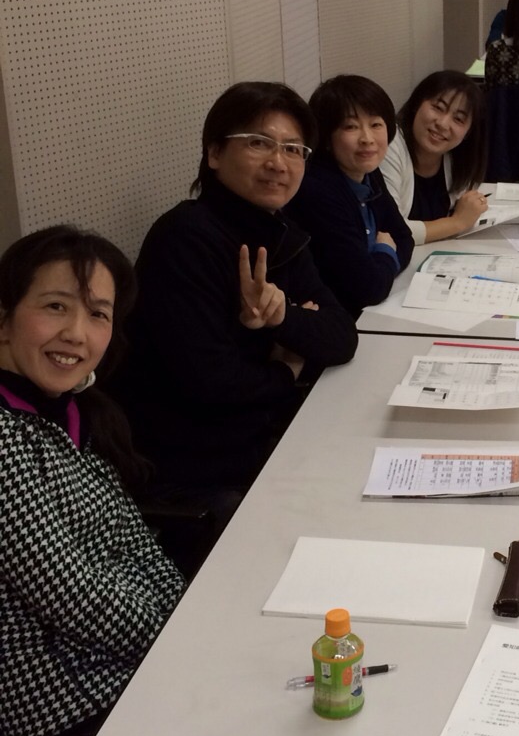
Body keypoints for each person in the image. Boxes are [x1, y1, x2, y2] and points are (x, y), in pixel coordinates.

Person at [0, 226, 185, 736]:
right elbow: (68, 589)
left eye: (98, 314)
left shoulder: (66, 413)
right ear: (4, 317)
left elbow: (135, 545)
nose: (77, 333)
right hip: (64, 722)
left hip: (122, 673)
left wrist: (188, 623)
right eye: (55, 307)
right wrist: (185, 645)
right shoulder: (5, 438)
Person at [114, 82, 358, 513]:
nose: (278, 162)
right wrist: (286, 368)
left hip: (267, 436)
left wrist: (282, 320)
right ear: (214, 153)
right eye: (258, 143)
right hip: (199, 468)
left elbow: (341, 337)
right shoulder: (185, 238)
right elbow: (210, 382)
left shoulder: (281, 233)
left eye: (293, 149)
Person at [285, 74, 413, 317]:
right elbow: (368, 288)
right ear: (326, 137)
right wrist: (385, 252)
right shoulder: (317, 190)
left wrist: (378, 267)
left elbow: (404, 238)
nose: (367, 139)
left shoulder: (366, 171)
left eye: (376, 125)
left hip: (368, 314)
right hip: (334, 318)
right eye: (351, 127)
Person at [379, 71, 490, 244]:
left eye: (458, 119)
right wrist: (457, 222)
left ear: (468, 132)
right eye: (438, 108)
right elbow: (389, 230)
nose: (443, 124)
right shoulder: (389, 144)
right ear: (417, 103)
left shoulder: (456, 157)